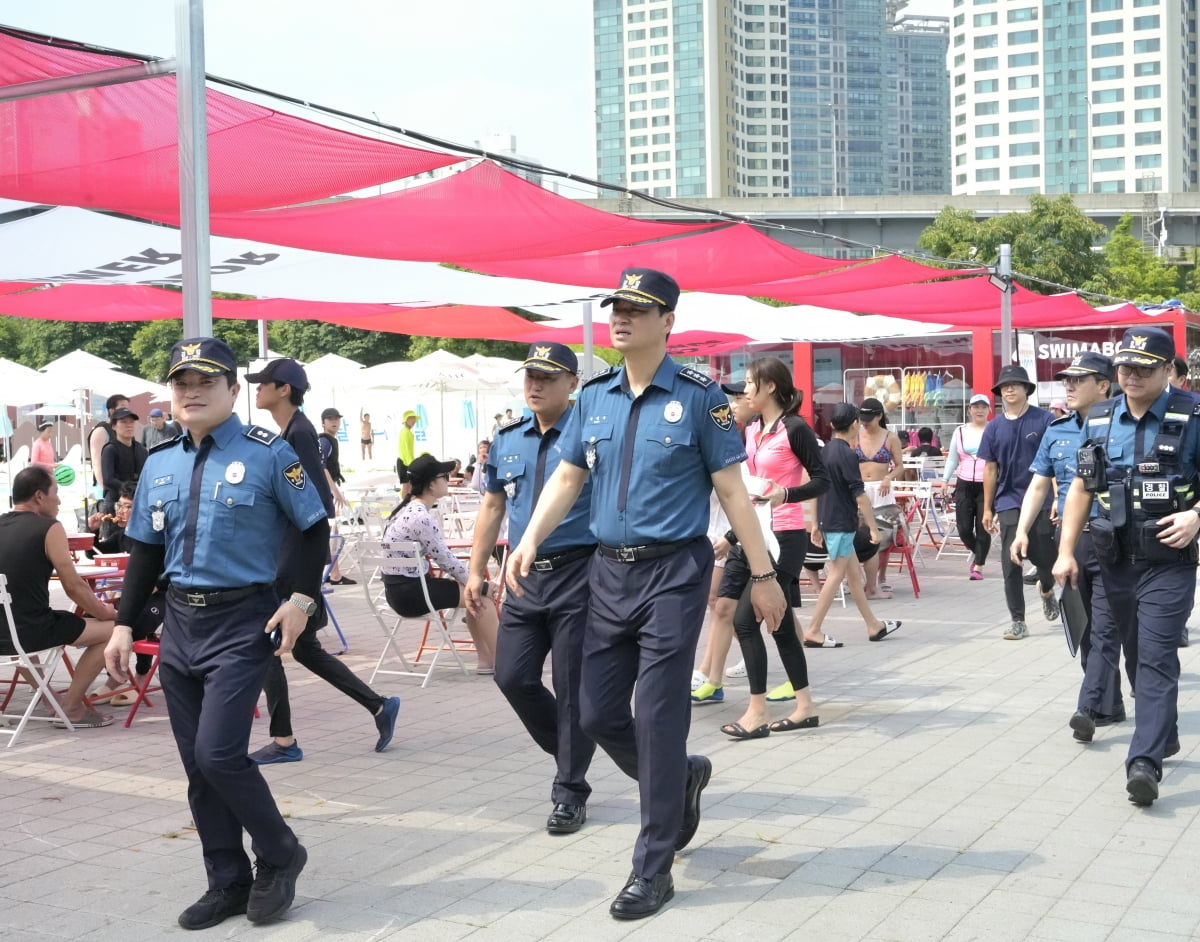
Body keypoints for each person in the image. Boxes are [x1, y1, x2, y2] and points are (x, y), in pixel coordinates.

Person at [505, 267, 786, 920]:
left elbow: (732, 491)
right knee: (597, 713)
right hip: (606, 573)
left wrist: (764, 573)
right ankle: (680, 778)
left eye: (638, 308)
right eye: (617, 306)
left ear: (667, 323)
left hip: (673, 575)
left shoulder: (699, 397)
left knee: (659, 717)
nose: (621, 316)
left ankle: (652, 867)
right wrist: (529, 541)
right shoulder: (594, 398)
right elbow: (568, 477)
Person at [104, 337, 329, 930]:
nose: (192, 392)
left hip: (241, 620)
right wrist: (124, 624)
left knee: (220, 753)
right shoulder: (158, 462)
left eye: (207, 381)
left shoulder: (270, 453)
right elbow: (145, 552)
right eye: (182, 383)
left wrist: (302, 600)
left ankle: (280, 853)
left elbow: (313, 529)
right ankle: (226, 879)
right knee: (197, 767)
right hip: (180, 622)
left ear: (234, 390)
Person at [1054, 327, 1200, 807]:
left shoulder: (1194, 416)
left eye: (1143, 367)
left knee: (1157, 657)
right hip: (1112, 557)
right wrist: (1065, 551)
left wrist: (1196, 514)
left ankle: (1144, 763)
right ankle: (1166, 733)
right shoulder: (1097, 419)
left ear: (1167, 370)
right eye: (1125, 366)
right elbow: (1081, 487)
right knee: (1136, 655)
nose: (1131, 375)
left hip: (1169, 560)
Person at [465, 341, 597, 835]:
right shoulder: (507, 438)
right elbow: (493, 507)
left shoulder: (589, 435)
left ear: (572, 384)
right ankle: (570, 748)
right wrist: (476, 571)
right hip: (522, 576)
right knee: (511, 676)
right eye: (530, 377)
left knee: (570, 688)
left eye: (547, 377)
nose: (535, 385)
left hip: (578, 573)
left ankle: (569, 791)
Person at [245, 358, 399, 765]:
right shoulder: (293, 431)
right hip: (294, 558)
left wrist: (300, 574)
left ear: (283, 389)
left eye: (263, 383)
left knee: (271, 645)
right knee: (303, 648)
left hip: (293, 561)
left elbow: (317, 504)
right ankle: (380, 706)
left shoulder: (298, 433)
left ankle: (283, 740)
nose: (256, 389)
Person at [1011, 353, 1133, 738]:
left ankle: (1110, 700)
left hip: (1119, 538)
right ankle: (1106, 704)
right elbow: (1039, 483)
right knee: (1084, 627)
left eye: (1079, 379)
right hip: (1073, 540)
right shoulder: (1057, 428)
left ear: (1103, 385)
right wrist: (1021, 530)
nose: (1069, 385)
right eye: (1067, 379)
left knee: (1121, 628)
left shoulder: (1125, 424)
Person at [716, 356, 828, 735]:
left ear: (770, 387)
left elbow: (822, 480)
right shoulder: (753, 431)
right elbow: (749, 493)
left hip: (786, 537)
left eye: (750, 382)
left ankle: (757, 711)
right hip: (755, 534)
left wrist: (787, 493)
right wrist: (731, 537)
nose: (745, 389)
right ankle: (805, 707)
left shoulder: (795, 428)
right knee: (777, 626)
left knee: (747, 620)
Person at [0, 466, 118, 727]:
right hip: (32, 631)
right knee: (113, 630)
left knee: (15, 627)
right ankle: (73, 706)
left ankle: (50, 700)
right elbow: (74, 586)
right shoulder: (49, 528)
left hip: (5, 634)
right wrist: (104, 612)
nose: (60, 500)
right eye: (56, 492)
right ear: (39, 496)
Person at [381, 453, 498, 673]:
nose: (448, 479)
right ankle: (502, 661)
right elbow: (446, 561)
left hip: (396, 592)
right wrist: (481, 584)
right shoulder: (421, 517)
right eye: (444, 476)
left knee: (472, 593)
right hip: (413, 594)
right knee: (480, 595)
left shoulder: (403, 511)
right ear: (431, 485)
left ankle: (487, 662)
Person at [803, 403, 899, 644]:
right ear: (854, 424)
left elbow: (817, 489)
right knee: (836, 575)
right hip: (841, 523)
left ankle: (873, 625)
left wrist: (815, 522)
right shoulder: (846, 454)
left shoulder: (825, 451)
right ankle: (813, 629)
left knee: (854, 576)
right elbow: (860, 496)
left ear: (832, 425)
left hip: (829, 520)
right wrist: (874, 529)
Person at [979, 364, 1058, 641]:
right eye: (1004, 386)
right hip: (1008, 500)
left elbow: (1054, 462)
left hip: (1041, 499)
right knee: (1010, 561)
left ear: (1027, 389)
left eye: (1015, 384)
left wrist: (1058, 497)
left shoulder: (1045, 420)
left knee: (1046, 558)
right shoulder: (993, 428)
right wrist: (988, 507)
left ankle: (1046, 589)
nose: (1009, 389)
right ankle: (1018, 620)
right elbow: (990, 469)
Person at [691, 380, 755, 698]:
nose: (731, 405)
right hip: (719, 530)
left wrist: (732, 535)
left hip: (742, 533)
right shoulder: (737, 433)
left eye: (737, 398)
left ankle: (710, 672)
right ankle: (714, 670)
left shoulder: (753, 436)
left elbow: (744, 493)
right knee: (722, 604)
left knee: (723, 603)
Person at [855, 397, 905, 599]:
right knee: (859, 532)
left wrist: (889, 477)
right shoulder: (856, 436)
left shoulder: (890, 437)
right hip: (860, 488)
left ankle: (880, 578)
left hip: (881, 489)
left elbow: (900, 465)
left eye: (869, 418)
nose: (865, 422)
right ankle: (860, 578)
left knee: (882, 535)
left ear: (879, 416)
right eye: (862, 418)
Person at [944, 394, 993, 580]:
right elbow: (952, 458)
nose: (979, 410)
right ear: (969, 410)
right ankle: (979, 553)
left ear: (989, 410)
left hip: (987, 483)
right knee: (964, 528)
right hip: (964, 482)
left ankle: (978, 566)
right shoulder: (960, 431)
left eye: (983, 406)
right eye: (975, 406)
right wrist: (945, 480)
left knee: (983, 526)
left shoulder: (993, 430)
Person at [318, 408, 353, 585]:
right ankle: (331, 573)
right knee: (331, 531)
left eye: (337, 419)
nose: (334, 422)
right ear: (323, 422)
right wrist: (335, 492)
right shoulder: (325, 442)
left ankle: (335, 573)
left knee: (335, 530)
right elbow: (322, 467)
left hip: (327, 492)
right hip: (325, 494)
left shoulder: (330, 441)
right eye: (330, 419)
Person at [100, 406, 148, 506]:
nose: (129, 425)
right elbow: (108, 479)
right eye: (123, 422)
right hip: (115, 502)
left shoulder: (142, 450)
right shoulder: (110, 449)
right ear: (114, 426)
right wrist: (130, 489)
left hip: (139, 501)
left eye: (131, 422)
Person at [88, 393, 129, 492]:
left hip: (123, 487)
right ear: (112, 410)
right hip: (107, 489)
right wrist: (105, 490)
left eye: (127, 408)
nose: (126, 411)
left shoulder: (122, 431)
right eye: (123, 407)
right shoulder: (101, 431)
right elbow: (97, 464)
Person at [397, 409, 418, 487]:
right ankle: (405, 499)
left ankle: (407, 499)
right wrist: (411, 463)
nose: (414, 421)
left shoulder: (408, 432)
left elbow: (408, 450)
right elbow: (405, 449)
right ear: (406, 420)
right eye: (411, 418)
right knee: (406, 486)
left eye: (414, 418)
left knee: (409, 486)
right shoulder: (405, 432)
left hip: (407, 461)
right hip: (404, 462)